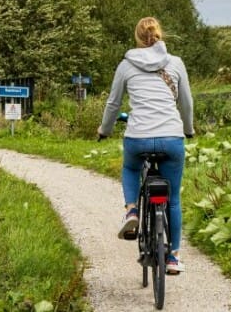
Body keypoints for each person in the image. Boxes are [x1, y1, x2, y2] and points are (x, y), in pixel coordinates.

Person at [98, 16, 194, 275]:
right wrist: (189, 129)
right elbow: (186, 103)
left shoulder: (126, 65)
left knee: (131, 169)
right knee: (172, 199)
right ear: (159, 35)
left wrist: (104, 130)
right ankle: (173, 257)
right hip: (172, 138)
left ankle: (131, 211)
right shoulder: (176, 63)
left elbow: (113, 103)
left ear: (138, 38)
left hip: (138, 137)